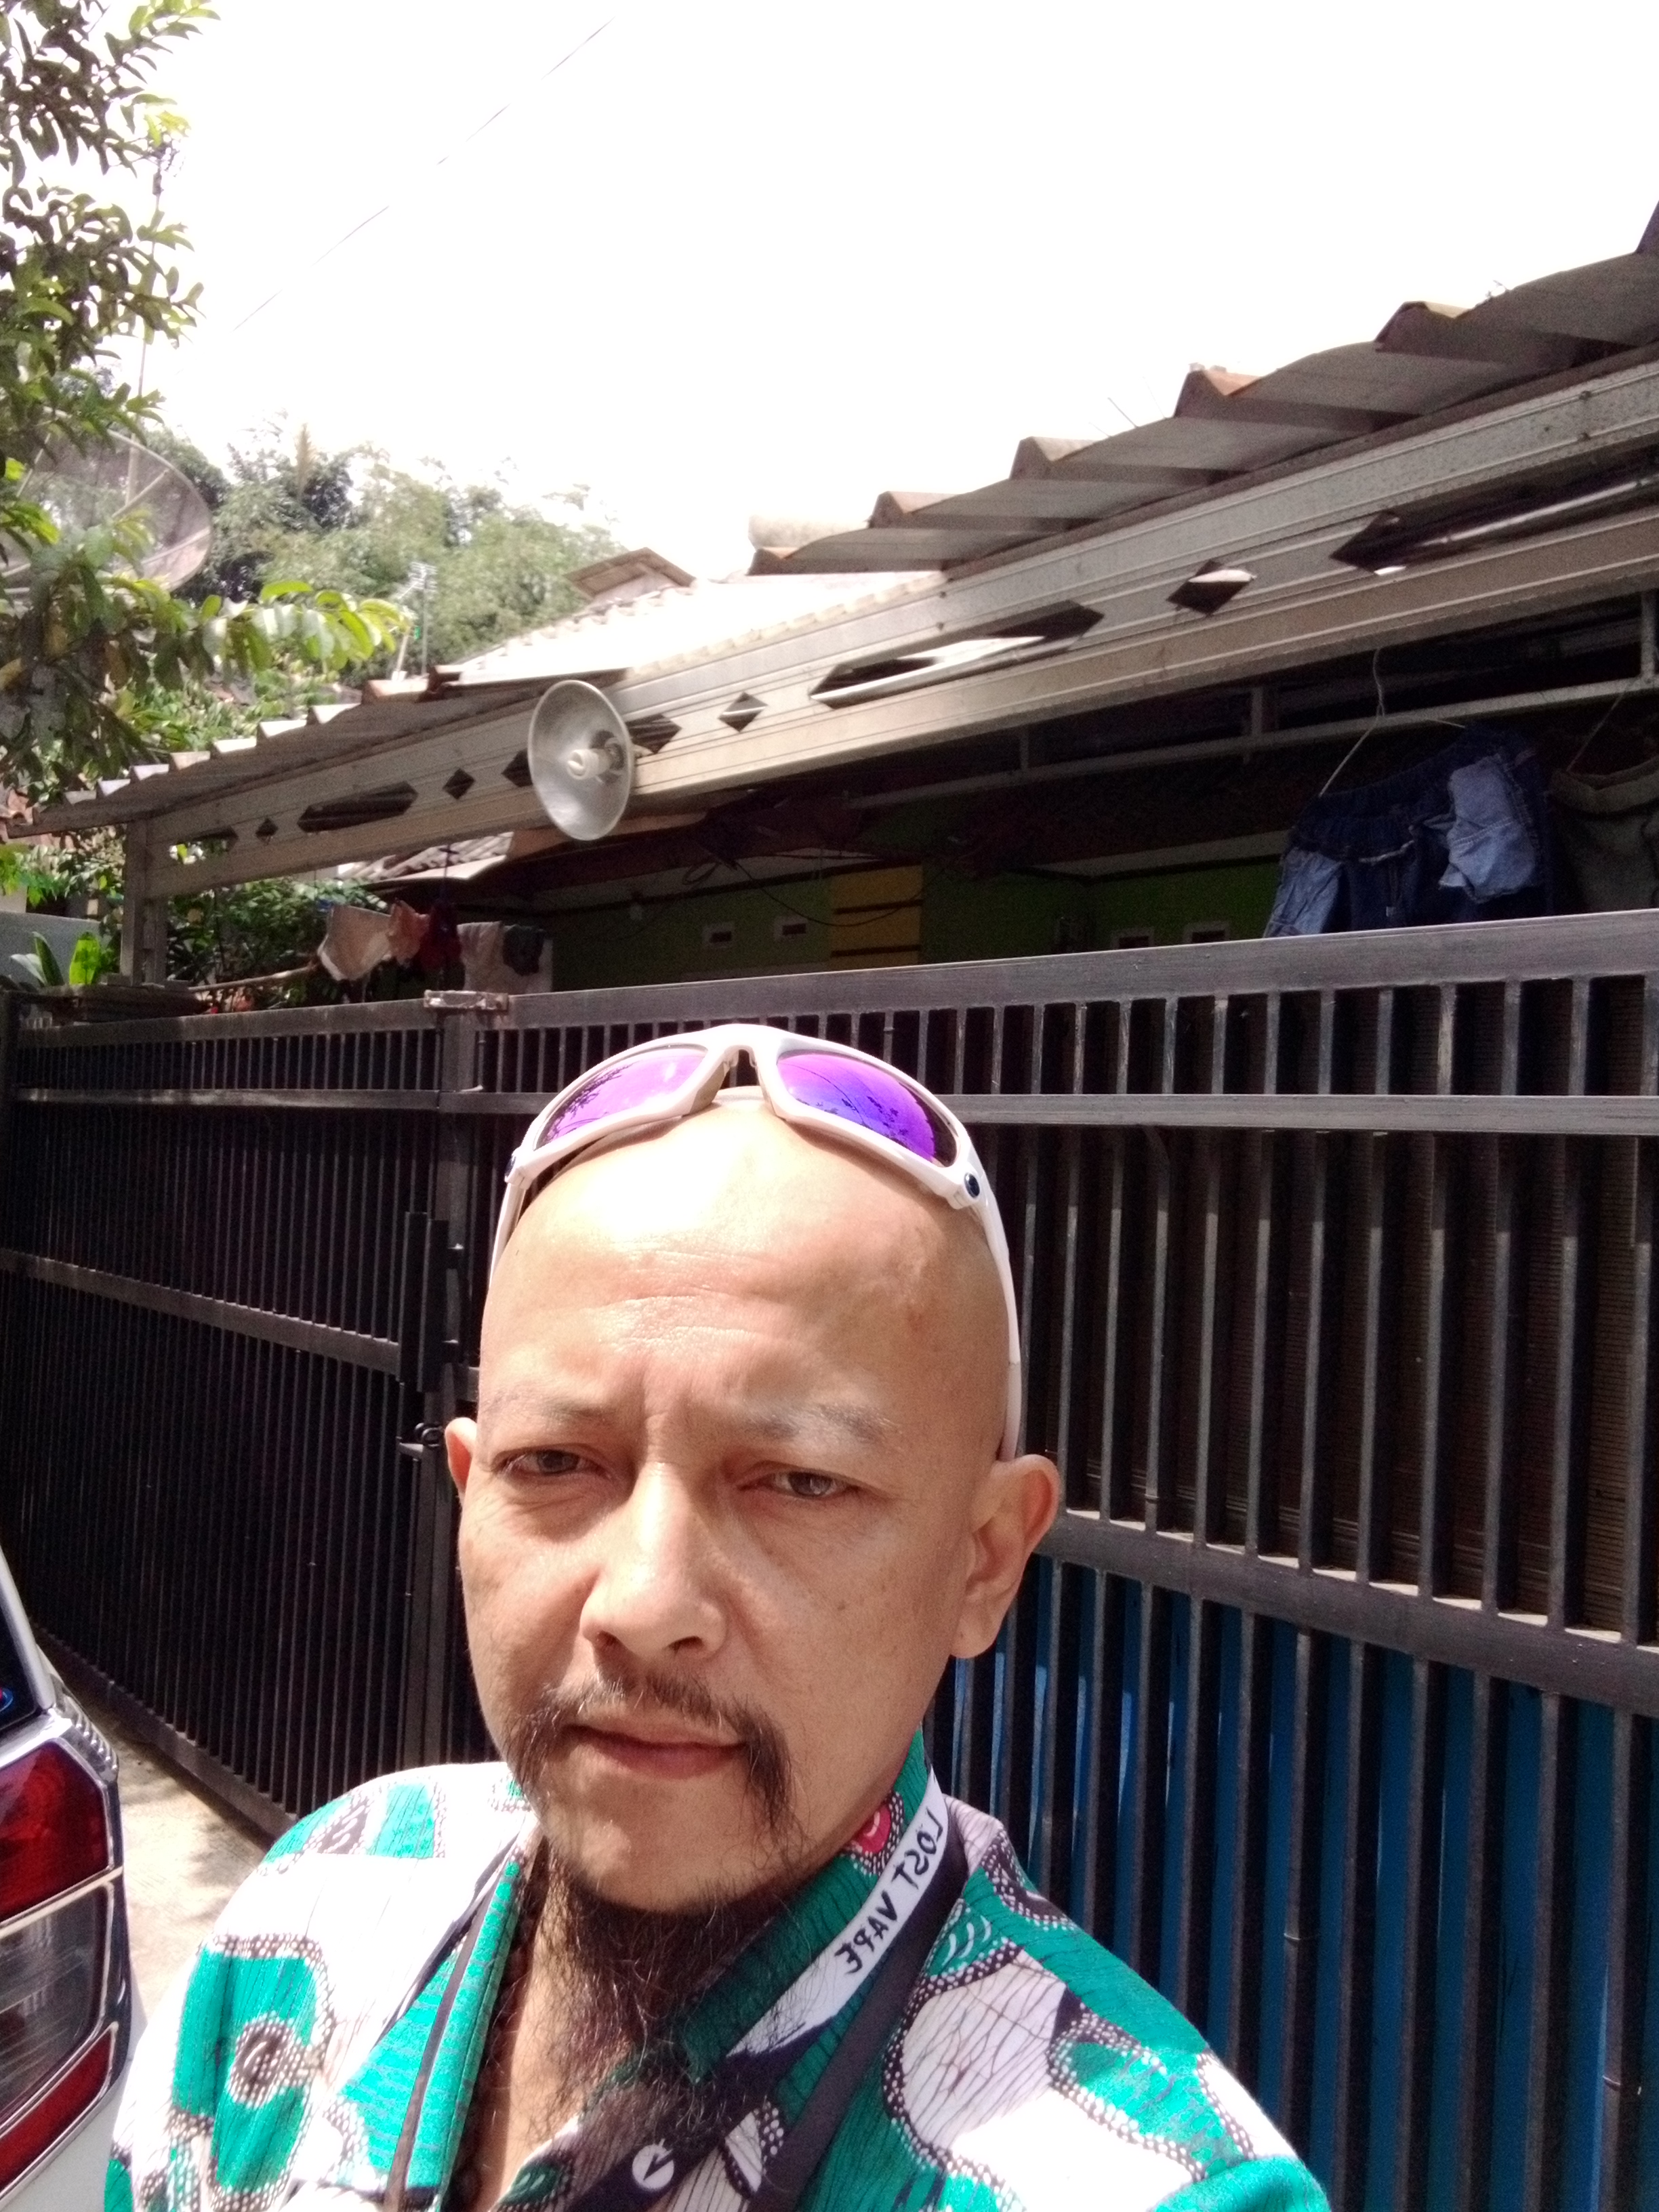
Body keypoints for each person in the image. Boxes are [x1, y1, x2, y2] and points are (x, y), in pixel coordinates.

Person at [110, 1025, 1327, 2212]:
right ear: (470, 1492)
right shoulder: (319, 1907)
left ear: (985, 1560)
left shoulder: (1139, 2177)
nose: (644, 1605)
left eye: (799, 1482)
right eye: (555, 1463)